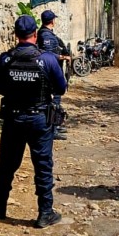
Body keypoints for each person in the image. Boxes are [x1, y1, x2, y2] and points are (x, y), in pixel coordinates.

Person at [0, 14, 67, 228]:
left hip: (13, 118)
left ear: (15, 34)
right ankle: (45, 212)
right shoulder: (47, 59)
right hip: (39, 119)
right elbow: (61, 88)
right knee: (42, 165)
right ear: (35, 34)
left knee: (6, 165)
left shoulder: (5, 59)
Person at [37, 10, 71, 140]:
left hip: (51, 71)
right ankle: (53, 129)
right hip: (50, 73)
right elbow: (47, 54)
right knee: (54, 101)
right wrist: (63, 57)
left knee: (55, 100)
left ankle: (55, 125)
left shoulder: (46, 34)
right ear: (52, 21)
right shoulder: (46, 36)